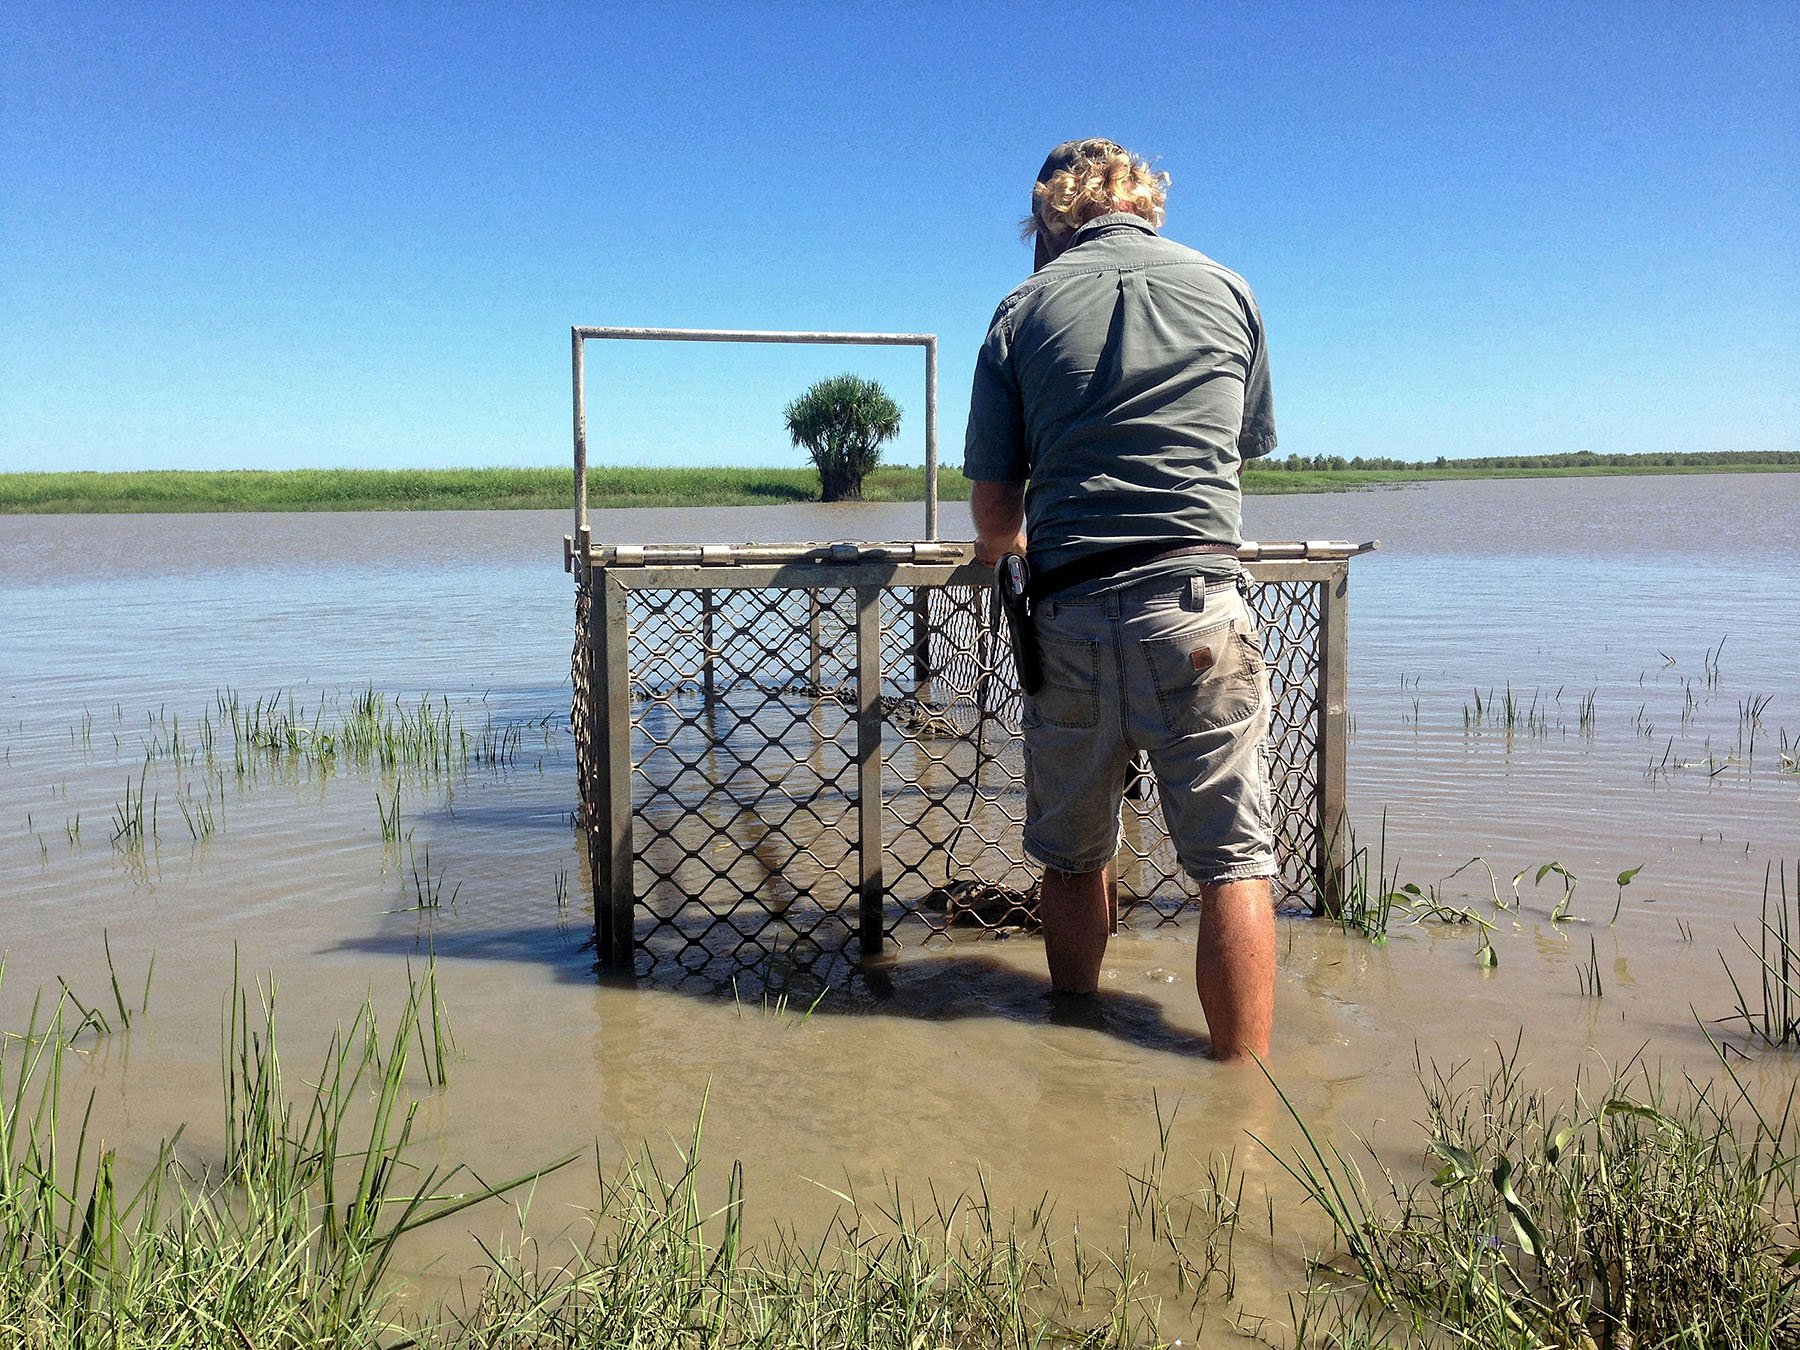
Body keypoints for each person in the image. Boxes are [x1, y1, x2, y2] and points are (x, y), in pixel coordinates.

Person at [963, 138, 1279, 1062]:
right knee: (1233, 861)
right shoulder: (1229, 289)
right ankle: (1247, 1104)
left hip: (1067, 617)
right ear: (1148, 201)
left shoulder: (1022, 308)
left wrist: (1013, 546)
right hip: (1197, 610)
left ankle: (1074, 1039)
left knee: (1071, 853)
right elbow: (1242, 443)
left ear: (1052, 214)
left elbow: (993, 513)